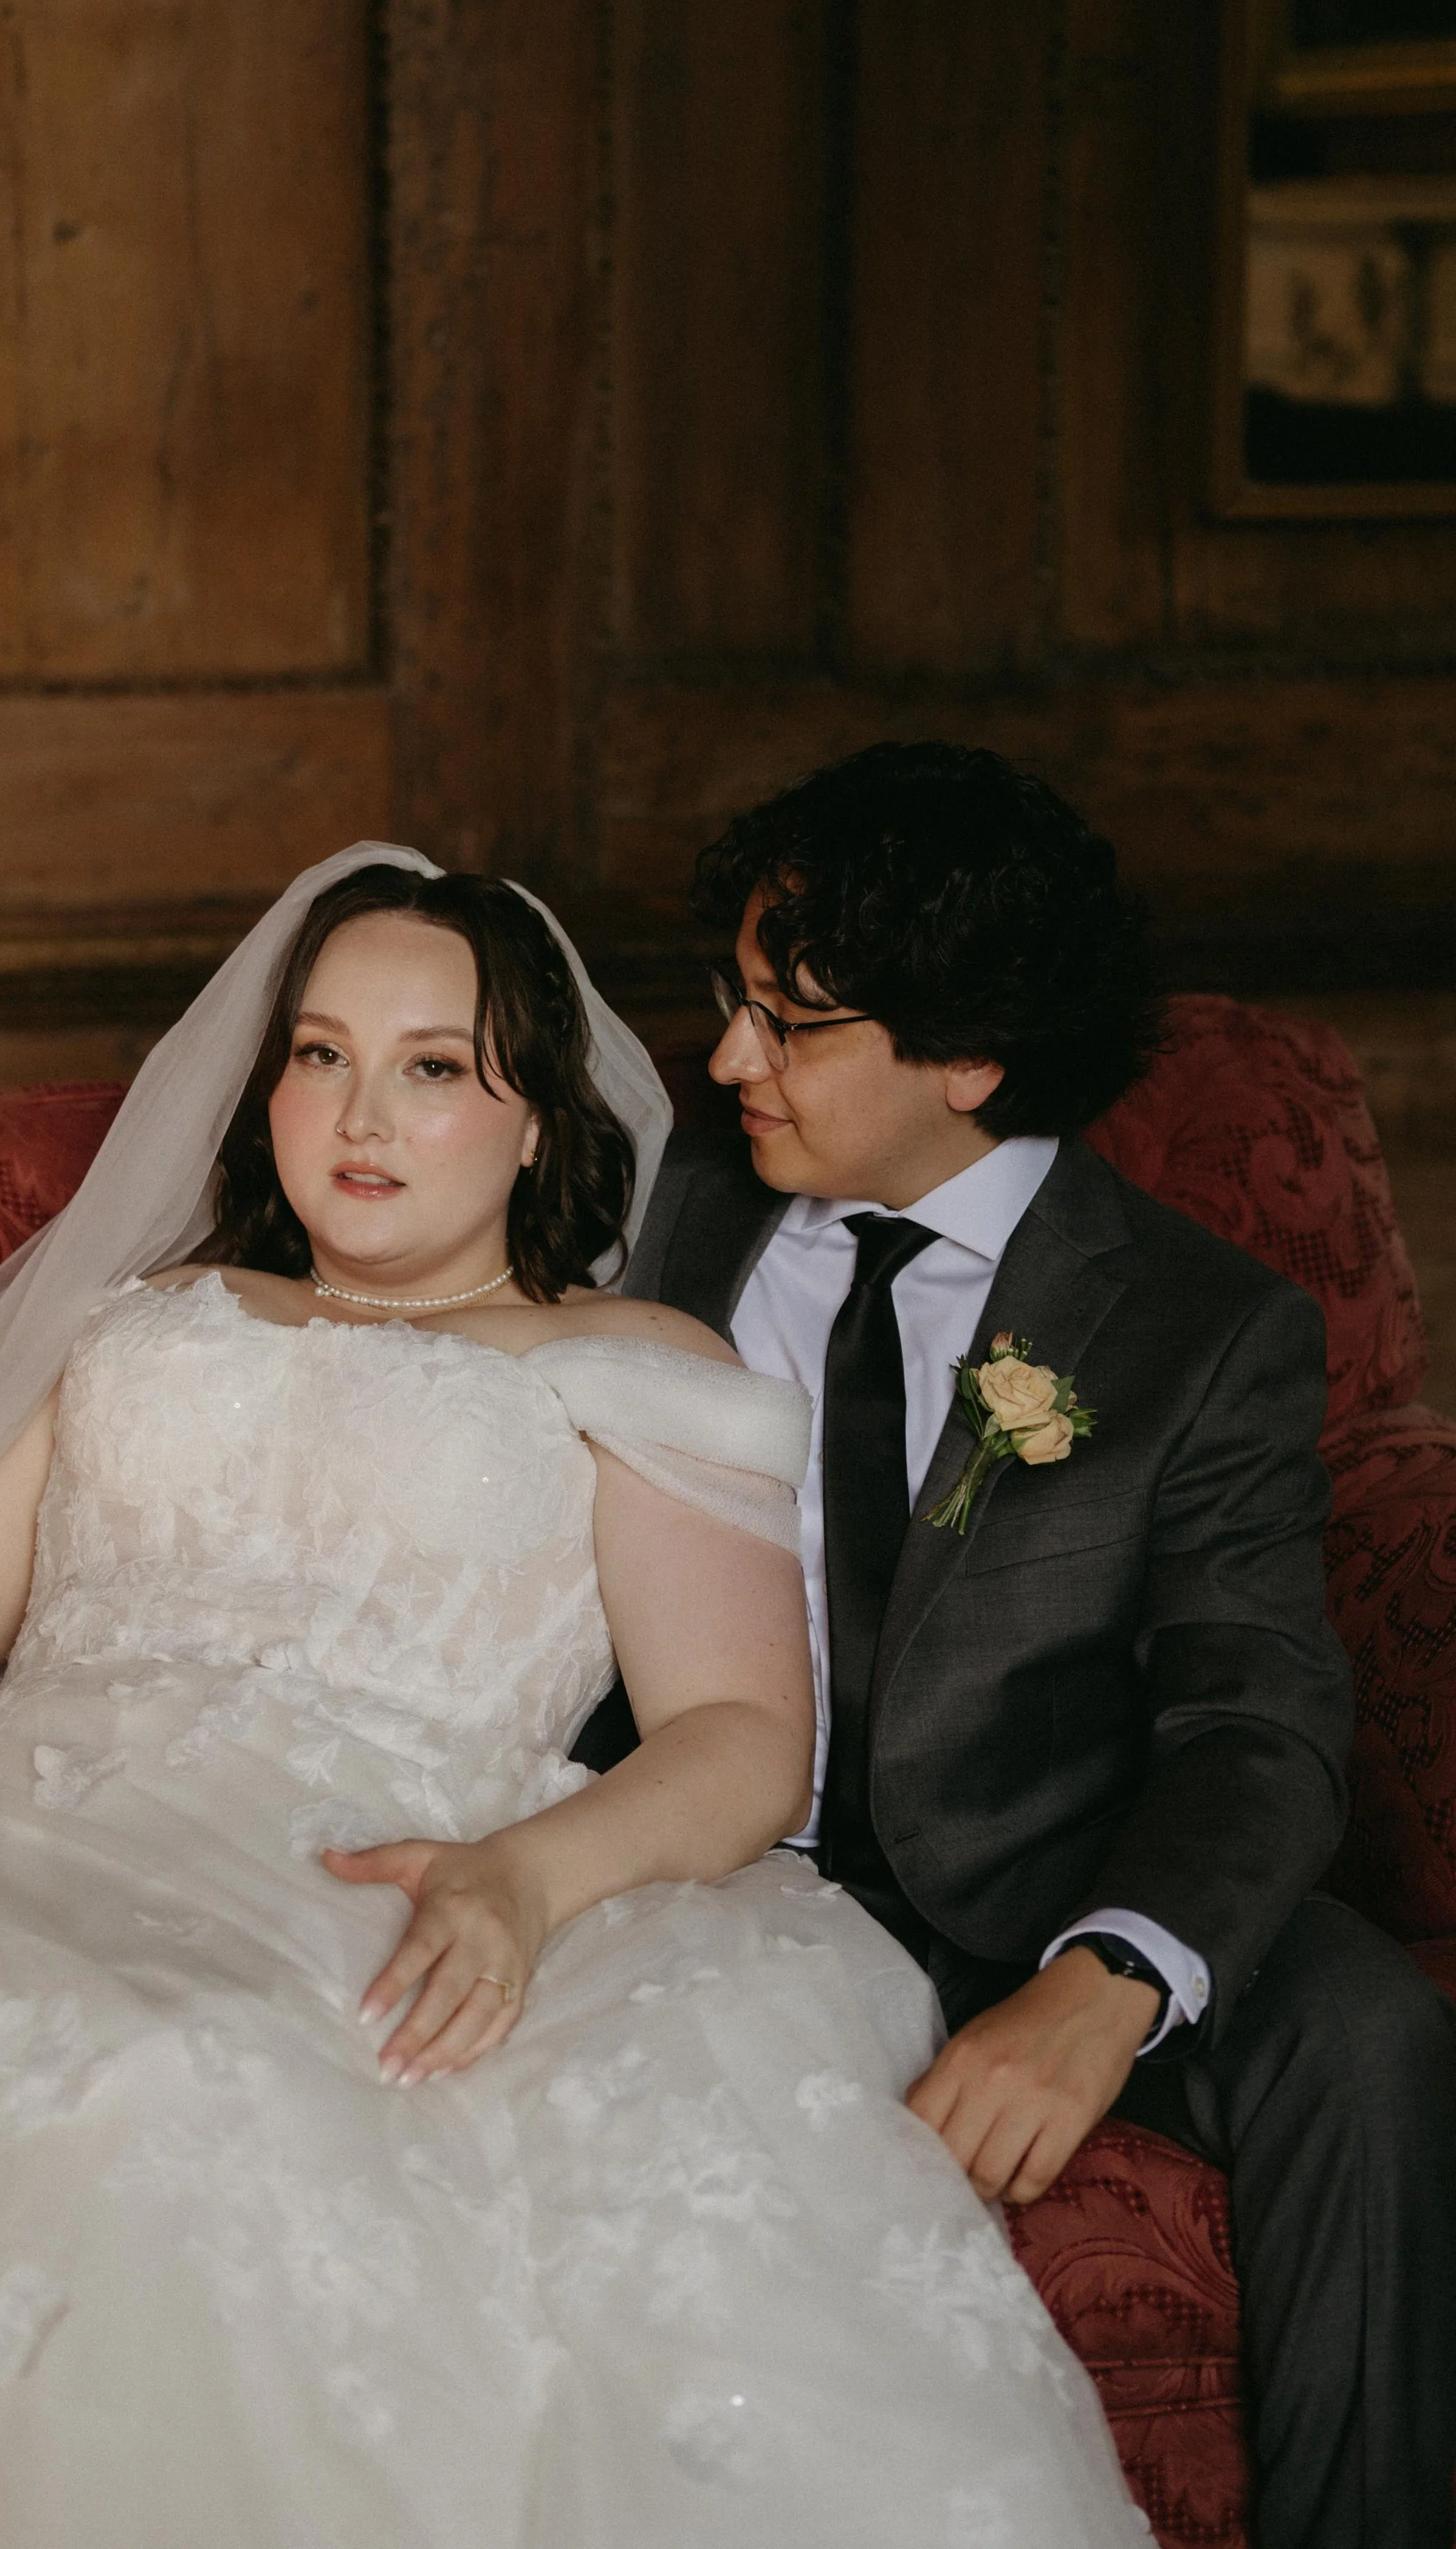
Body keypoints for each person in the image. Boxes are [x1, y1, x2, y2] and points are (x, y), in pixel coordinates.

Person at [0, 844, 1141, 2548]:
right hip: (26, 1816)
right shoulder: (147, 1317)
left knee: (182, 2076)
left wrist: (525, 1881)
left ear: (538, 1122)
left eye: (432, 1068)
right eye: (320, 1055)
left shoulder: (635, 1365)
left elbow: (741, 1737)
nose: (359, 1116)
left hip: (395, 1868)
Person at [587, 743, 1456, 2549]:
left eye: (793, 1024)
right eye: (730, 1004)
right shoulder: (655, 1189)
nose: (730, 1058)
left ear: (969, 1061)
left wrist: (1109, 1975)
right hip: (702, 1854)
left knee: (1364, 2034)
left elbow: (1255, 1712)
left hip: (1051, 1865)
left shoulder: (1203, 1333)